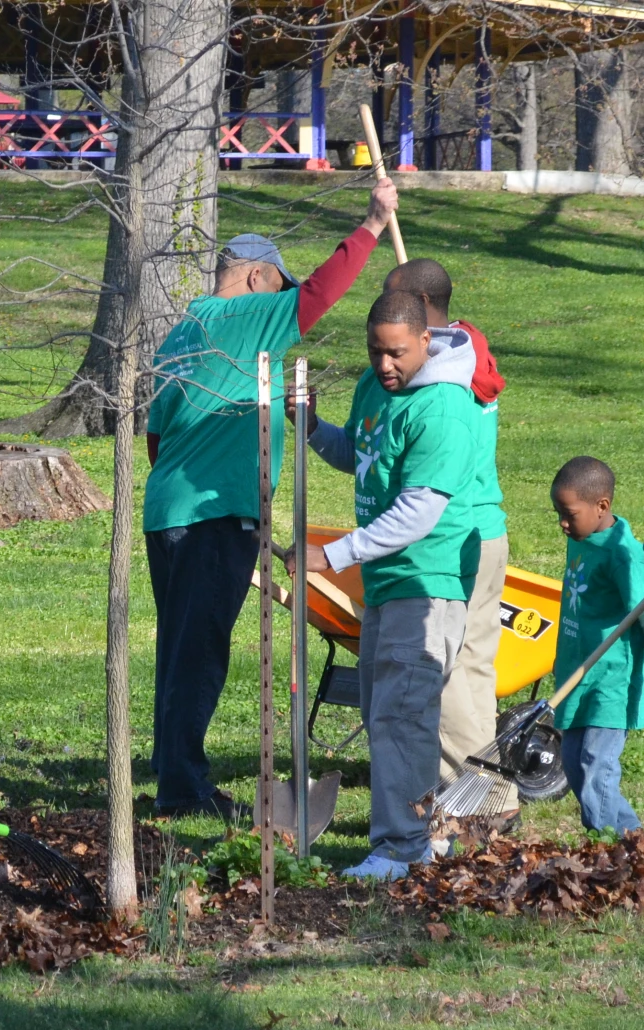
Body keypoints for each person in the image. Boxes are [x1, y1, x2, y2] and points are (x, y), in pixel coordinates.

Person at [140, 174, 399, 820]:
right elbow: (317, 294)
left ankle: (176, 776)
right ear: (256, 278)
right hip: (212, 517)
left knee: (179, 648)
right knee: (198, 653)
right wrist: (371, 224)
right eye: (275, 288)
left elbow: (155, 433)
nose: (282, 310)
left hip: (168, 512)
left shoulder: (183, 332)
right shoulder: (245, 315)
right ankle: (184, 791)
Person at [293, 291, 485, 880]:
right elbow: (363, 454)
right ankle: (415, 838)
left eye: (396, 353)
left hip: (426, 584)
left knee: (403, 716)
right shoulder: (377, 389)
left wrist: (331, 555)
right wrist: (313, 429)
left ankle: (404, 849)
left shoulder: (446, 409)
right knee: (385, 713)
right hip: (385, 582)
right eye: (375, 352)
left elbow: (416, 514)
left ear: (427, 340)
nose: (384, 365)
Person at [381, 258, 511, 817]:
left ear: (424, 314)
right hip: (481, 529)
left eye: (397, 302)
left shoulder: (454, 375)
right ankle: (482, 799)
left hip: (462, 533)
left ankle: (478, 807)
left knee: (455, 679)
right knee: (470, 671)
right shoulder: (469, 351)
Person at [547, 457, 644, 833]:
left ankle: (606, 851)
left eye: (569, 513)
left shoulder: (622, 552)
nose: (563, 524)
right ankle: (633, 844)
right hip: (576, 671)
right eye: (558, 514)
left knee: (596, 764)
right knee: (572, 762)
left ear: (601, 506)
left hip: (610, 677)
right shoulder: (582, 538)